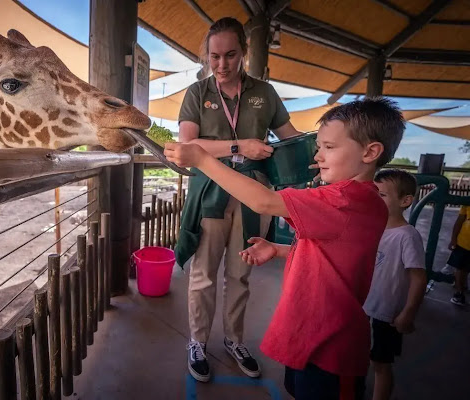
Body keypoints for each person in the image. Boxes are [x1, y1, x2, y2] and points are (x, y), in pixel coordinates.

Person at [165, 97, 406, 400]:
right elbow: (336, 255)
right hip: (315, 334)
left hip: (327, 345)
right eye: (319, 146)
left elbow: (263, 201)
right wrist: (280, 250)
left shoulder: (343, 199)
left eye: (329, 148)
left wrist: (202, 160)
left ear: (370, 152)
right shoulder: (366, 200)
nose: (318, 156)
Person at [174, 17, 300, 382]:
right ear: (207, 56)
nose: (222, 65)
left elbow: (290, 137)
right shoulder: (198, 93)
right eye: (214, 57)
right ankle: (197, 341)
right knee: (203, 275)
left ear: (244, 52)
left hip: (254, 193)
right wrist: (240, 145)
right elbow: (188, 145)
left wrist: (323, 147)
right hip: (211, 191)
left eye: (230, 55)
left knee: (241, 274)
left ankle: (234, 339)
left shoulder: (265, 93)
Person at [363, 169, 427, 400]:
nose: (374, 199)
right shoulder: (371, 228)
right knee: (358, 356)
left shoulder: (406, 236)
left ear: (405, 201)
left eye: (381, 195)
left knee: (380, 364)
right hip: (362, 307)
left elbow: (418, 277)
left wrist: (408, 313)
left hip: (386, 314)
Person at [447, 205, 470, 306]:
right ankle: (459, 292)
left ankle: (461, 286)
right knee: (459, 267)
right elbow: (459, 221)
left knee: (465, 269)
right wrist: (453, 239)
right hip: (463, 242)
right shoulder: (467, 202)